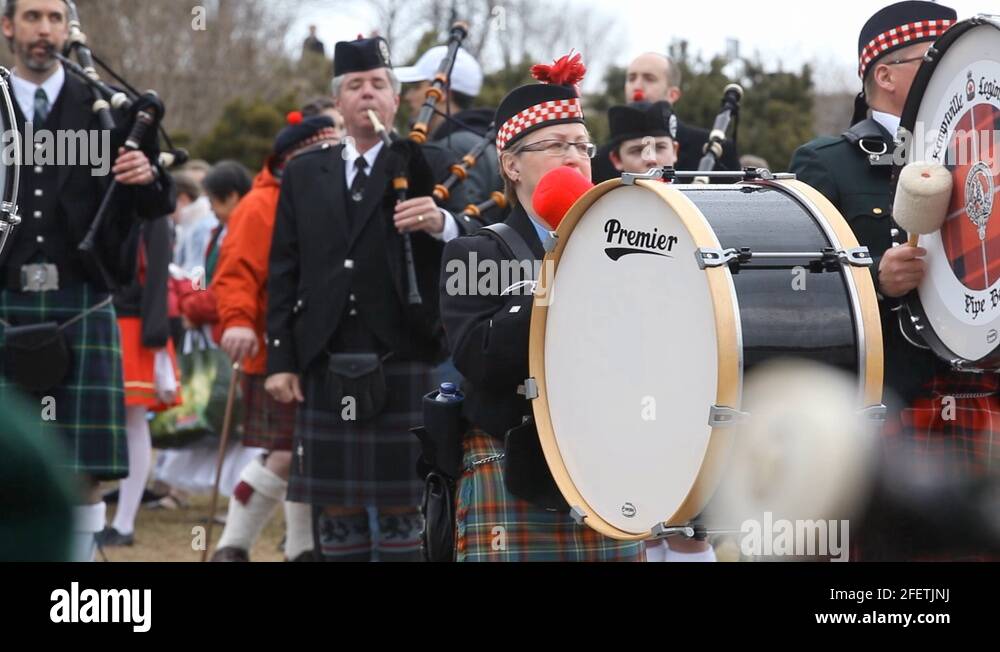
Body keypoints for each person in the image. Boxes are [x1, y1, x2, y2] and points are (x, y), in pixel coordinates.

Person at [788, 1, 997, 560]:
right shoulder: (828, 163)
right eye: (933, 58)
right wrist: (875, 282)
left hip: (987, 384)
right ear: (884, 74)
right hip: (899, 396)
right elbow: (798, 290)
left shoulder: (988, 149)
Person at [266, 36, 467, 562]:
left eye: (379, 84)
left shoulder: (429, 161)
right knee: (336, 510)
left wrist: (442, 222)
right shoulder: (305, 173)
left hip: (404, 353)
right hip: (324, 357)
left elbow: (475, 240)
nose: (368, 94)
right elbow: (284, 269)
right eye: (355, 86)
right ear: (338, 102)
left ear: (396, 99)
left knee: (405, 506)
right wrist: (281, 359)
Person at [439, 51, 644, 561]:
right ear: (511, 165)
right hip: (514, 464)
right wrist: (560, 276)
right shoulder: (476, 251)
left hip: (610, 464)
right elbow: (480, 358)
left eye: (582, 145)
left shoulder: (631, 244)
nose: (575, 157)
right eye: (554, 145)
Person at [0, 0, 174, 561]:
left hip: (81, 302)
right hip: (5, 301)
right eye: (31, 17)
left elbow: (155, 204)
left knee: (83, 468)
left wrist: (145, 176)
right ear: (8, 26)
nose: (43, 30)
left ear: (68, 28)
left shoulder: (104, 107)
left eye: (53, 17)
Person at [209, 112, 339, 562]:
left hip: (319, 349)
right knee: (286, 454)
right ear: (294, 156)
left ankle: (302, 550)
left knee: (308, 455)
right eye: (324, 149)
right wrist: (239, 321)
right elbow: (234, 273)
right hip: (273, 351)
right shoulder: (259, 205)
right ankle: (232, 545)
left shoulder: (328, 195)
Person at [99, 216, 182, 546]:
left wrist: (154, 329)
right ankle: (102, 517)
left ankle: (123, 521)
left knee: (134, 419)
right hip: (104, 311)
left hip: (131, 320)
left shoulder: (149, 203)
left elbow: (158, 267)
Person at [592, 52, 740, 182]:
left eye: (649, 78)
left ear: (672, 94)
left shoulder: (716, 150)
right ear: (617, 159)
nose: (637, 86)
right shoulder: (602, 159)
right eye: (631, 78)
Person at [396, 45, 501, 206]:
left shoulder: (455, 147)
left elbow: (467, 219)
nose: (408, 97)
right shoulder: (477, 140)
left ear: (442, 92)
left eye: (417, 87)